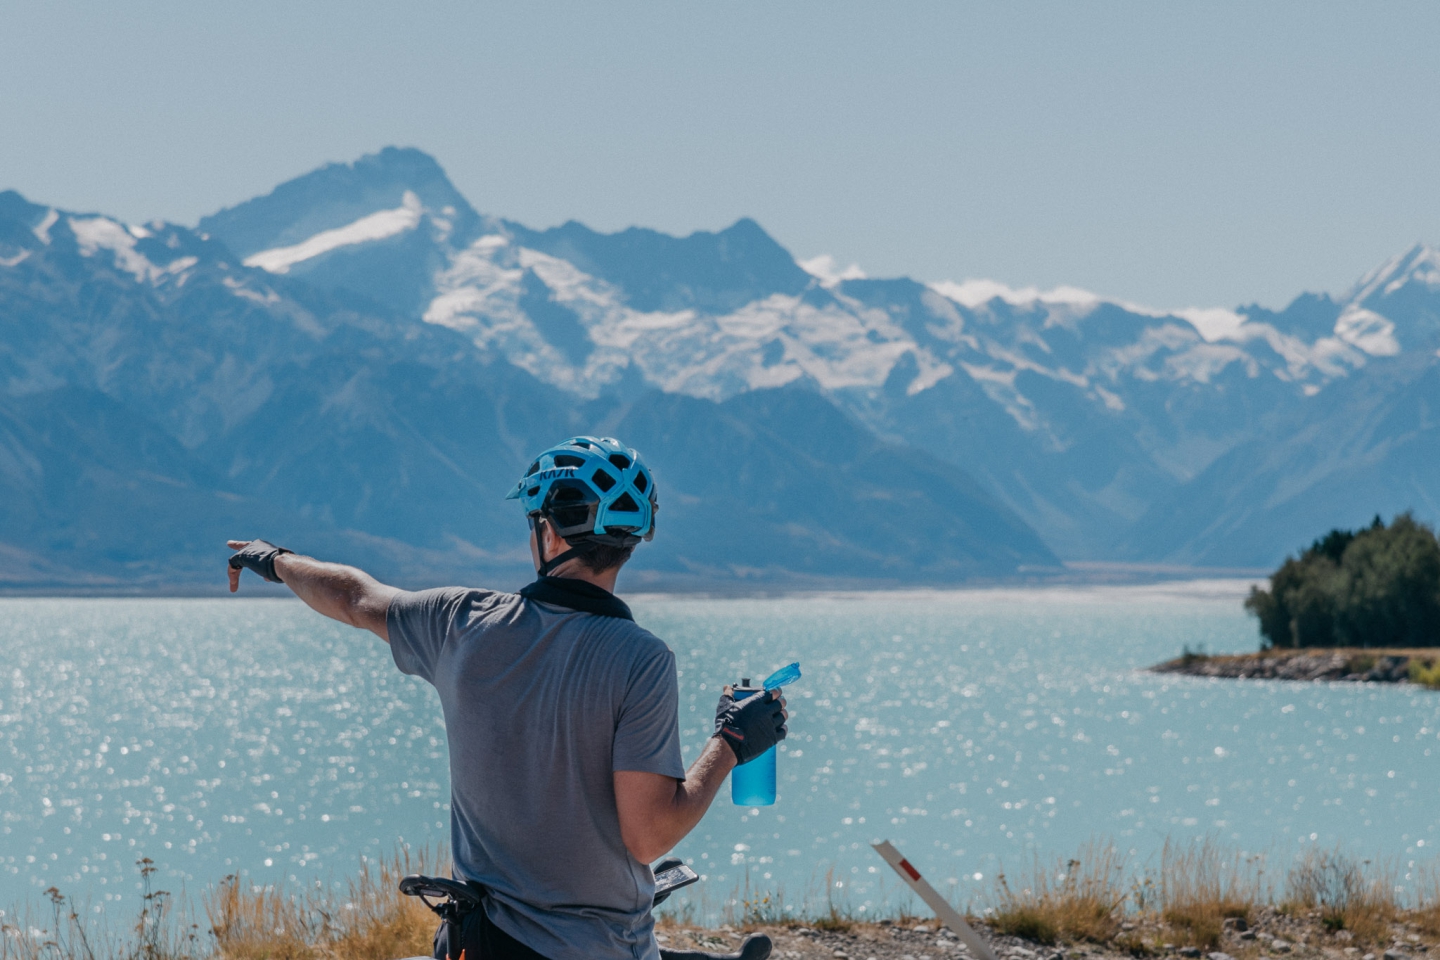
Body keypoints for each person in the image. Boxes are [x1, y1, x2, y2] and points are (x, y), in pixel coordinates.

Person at [227, 436, 788, 960]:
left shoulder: (459, 622)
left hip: (477, 942)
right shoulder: (640, 659)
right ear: (629, 543)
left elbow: (353, 596)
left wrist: (272, 559)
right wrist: (731, 743)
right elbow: (648, 836)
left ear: (548, 534)